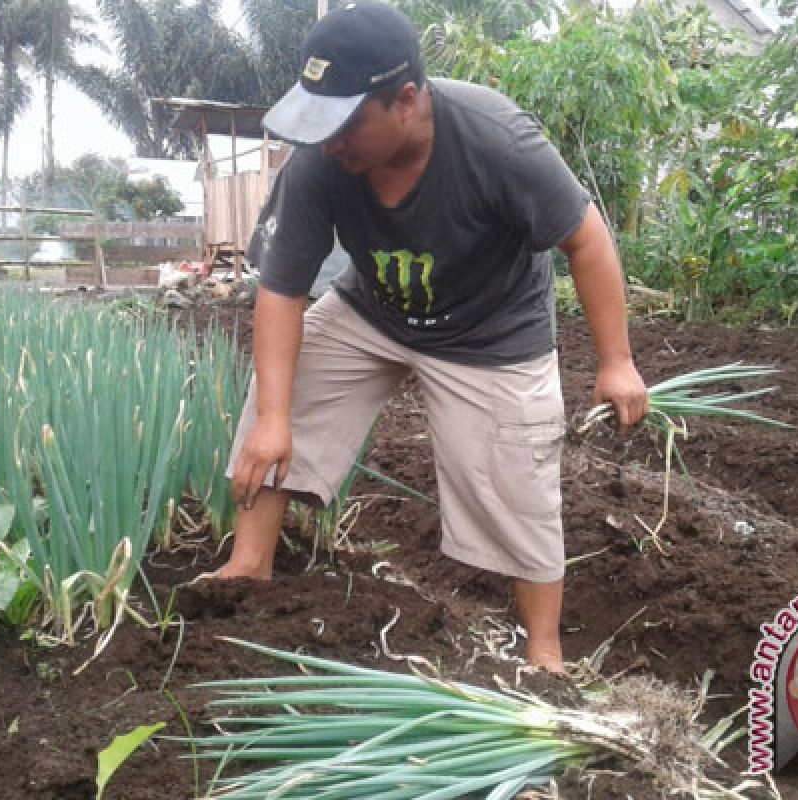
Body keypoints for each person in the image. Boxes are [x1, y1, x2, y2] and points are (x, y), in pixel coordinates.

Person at [218, 2, 647, 672]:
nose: (330, 142)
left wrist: (617, 362)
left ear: (407, 100)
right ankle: (246, 572)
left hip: (493, 331)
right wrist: (275, 416)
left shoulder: (497, 142)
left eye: (344, 123)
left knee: (517, 477)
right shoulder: (320, 164)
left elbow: (587, 239)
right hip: (374, 312)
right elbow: (282, 291)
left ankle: (544, 652)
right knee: (280, 397)